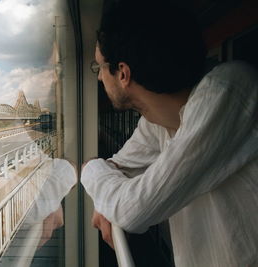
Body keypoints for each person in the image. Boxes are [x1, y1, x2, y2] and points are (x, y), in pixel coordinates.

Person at [80, 1, 258, 266]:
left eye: (100, 68)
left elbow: (132, 211)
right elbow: (118, 167)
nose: (98, 78)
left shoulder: (227, 91)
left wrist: (89, 169)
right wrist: (106, 197)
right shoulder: (157, 120)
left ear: (123, 74)